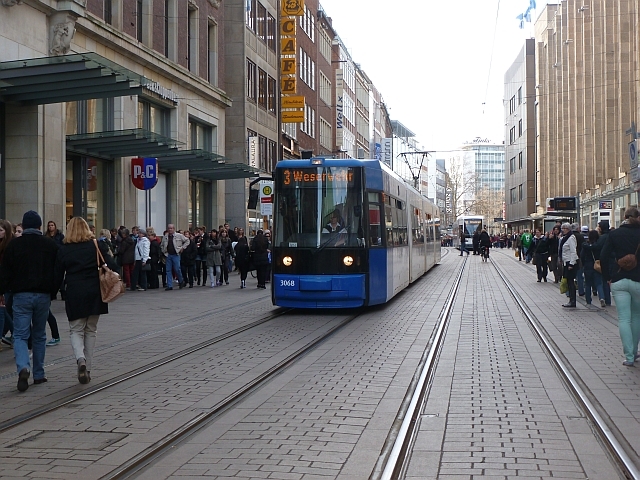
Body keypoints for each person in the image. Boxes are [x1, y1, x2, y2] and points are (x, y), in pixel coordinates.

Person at [54, 217, 118, 384]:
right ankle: (87, 367)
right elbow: (112, 265)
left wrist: (50, 293)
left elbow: (57, 275)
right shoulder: (96, 245)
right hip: (95, 291)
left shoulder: (64, 249)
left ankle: (80, 359)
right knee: (91, 330)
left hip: (75, 291)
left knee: (76, 330)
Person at [0, 211, 58, 391]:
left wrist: (3, 291)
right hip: (42, 295)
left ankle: (23, 366)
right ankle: (39, 374)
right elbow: (57, 271)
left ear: (23, 227)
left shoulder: (14, 245)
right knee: (40, 334)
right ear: (40, 227)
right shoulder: (50, 245)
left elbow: (5, 272)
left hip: (20, 295)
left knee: (20, 335)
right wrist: (52, 291)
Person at [600, 207, 640, 366]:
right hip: (638, 280)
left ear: (624, 217)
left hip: (618, 279)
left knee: (624, 318)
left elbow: (603, 256)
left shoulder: (614, 234)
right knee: (636, 317)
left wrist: (607, 277)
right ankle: (635, 351)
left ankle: (629, 356)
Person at [581, 230, 605, 307]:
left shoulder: (585, 245)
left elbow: (582, 256)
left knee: (588, 284)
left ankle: (588, 301)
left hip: (588, 266)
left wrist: (584, 264)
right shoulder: (599, 246)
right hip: (596, 265)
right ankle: (601, 297)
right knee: (599, 283)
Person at [160, 224, 189, 290]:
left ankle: (181, 280)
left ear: (174, 229)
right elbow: (162, 245)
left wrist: (182, 248)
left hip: (176, 254)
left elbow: (187, 241)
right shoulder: (165, 237)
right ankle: (169, 285)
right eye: (169, 228)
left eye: (171, 228)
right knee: (168, 270)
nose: (170, 230)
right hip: (168, 255)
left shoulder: (179, 236)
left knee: (177, 269)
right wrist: (163, 251)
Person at [0, 219, 15, 347]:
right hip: (4, 283)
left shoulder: (10, 246)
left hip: (8, 284)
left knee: (3, 310)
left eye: (0, 230)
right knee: (4, 310)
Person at [559, 222, 578, 307]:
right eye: (562, 228)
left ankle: (573, 301)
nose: (563, 230)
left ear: (568, 229)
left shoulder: (571, 238)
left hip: (570, 263)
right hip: (566, 262)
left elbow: (573, 252)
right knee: (569, 281)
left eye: (564, 229)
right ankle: (571, 299)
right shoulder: (565, 238)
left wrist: (571, 264)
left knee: (570, 282)